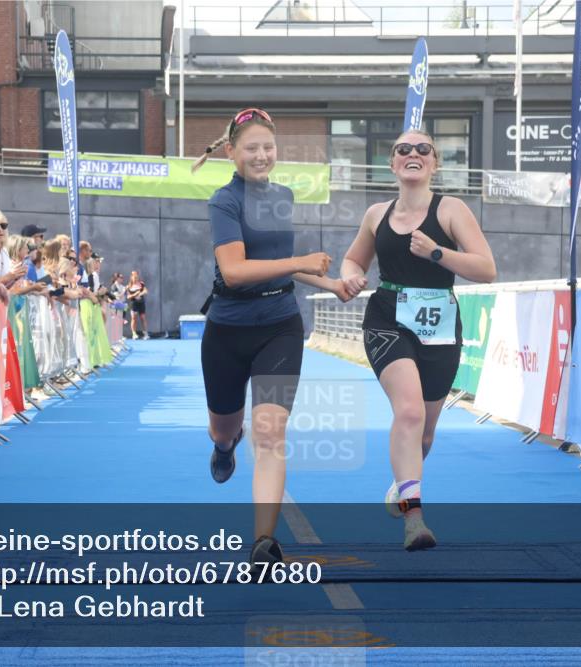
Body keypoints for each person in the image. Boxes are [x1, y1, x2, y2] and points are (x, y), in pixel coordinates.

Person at [193, 107, 348, 567]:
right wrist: (301, 262)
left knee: (270, 431)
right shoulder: (224, 202)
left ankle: (264, 542)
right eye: (251, 148)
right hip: (227, 331)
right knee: (224, 428)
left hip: (280, 327)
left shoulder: (283, 195)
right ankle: (224, 446)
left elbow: (280, 265)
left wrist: (331, 283)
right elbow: (235, 271)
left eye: (268, 147)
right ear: (231, 151)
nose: (262, 155)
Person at [339, 129, 496, 551]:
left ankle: (403, 483)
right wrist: (351, 275)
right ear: (393, 164)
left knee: (424, 434)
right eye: (403, 149)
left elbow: (486, 269)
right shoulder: (376, 214)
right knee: (408, 413)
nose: (414, 153)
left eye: (423, 149)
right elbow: (354, 258)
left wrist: (436, 253)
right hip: (387, 318)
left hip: (439, 326)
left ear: (434, 163)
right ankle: (414, 518)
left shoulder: (451, 209)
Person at [126, 270, 148, 339]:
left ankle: (145, 334)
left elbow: (145, 291)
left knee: (143, 318)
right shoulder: (129, 286)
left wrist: (140, 294)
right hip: (134, 304)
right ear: (131, 277)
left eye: (136, 275)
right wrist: (135, 295)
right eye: (133, 275)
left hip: (141, 303)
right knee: (134, 318)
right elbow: (128, 297)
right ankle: (134, 334)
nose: (135, 276)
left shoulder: (141, 284)